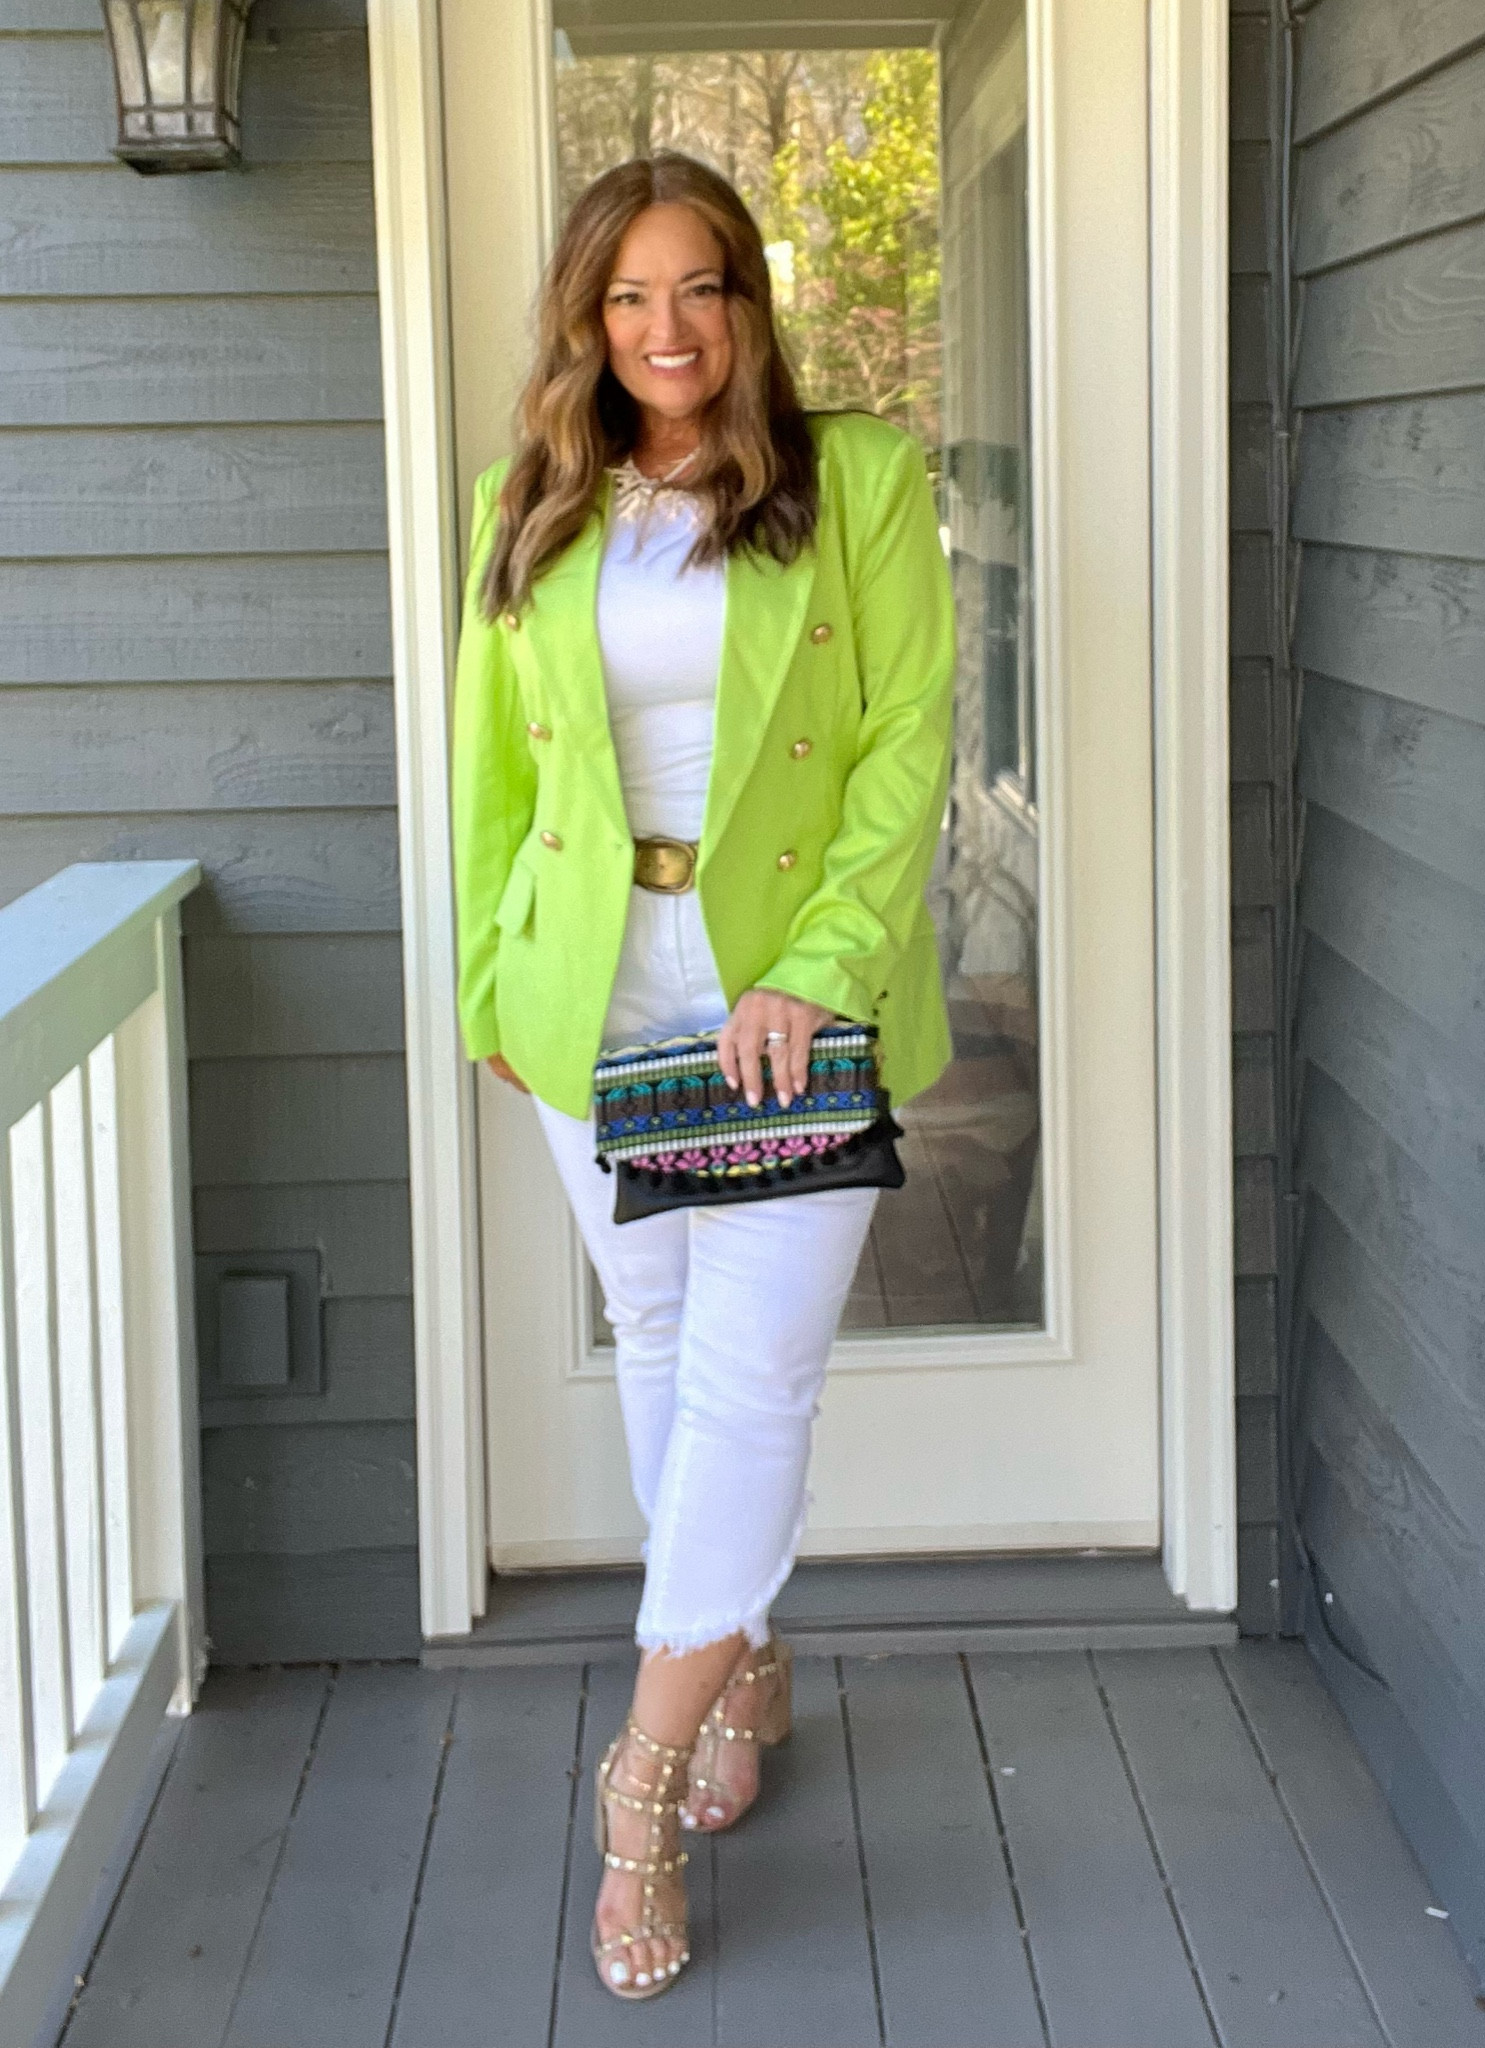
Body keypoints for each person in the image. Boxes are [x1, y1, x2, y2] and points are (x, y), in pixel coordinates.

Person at [450, 150, 955, 2002]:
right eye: (628, 296)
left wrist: (818, 968)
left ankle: (642, 1781)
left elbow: (905, 741)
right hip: (593, 989)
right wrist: (490, 984)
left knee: (752, 1380)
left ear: (747, 299)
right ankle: (739, 1658)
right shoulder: (531, 500)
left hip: (777, 995)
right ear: (589, 319)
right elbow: (495, 770)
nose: (666, 329)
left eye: (700, 288)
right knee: (659, 1334)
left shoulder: (858, 481)